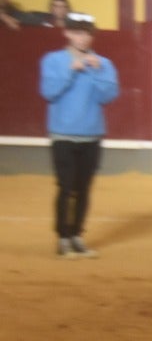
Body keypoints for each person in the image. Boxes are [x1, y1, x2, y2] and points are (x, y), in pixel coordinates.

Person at [40, 13, 119, 259]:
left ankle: (76, 236)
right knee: (65, 187)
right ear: (67, 33)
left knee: (83, 188)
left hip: (91, 134)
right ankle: (63, 238)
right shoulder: (53, 60)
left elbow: (109, 96)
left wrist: (95, 73)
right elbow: (48, 92)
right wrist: (69, 72)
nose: (82, 38)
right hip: (62, 134)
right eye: (77, 32)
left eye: (86, 33)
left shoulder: (103, 64)